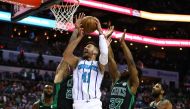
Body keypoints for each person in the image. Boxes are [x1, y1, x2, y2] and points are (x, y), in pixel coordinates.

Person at [63, 17, 114, 109]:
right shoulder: (77, 62)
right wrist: (80, 36)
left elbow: (104, 53)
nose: (85, 48)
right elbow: (66, 55)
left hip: (94, 104)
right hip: (78, 103)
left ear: (96, 52)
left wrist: (100, 31)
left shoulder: (100, 65)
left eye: (89, 46)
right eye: (85, 47)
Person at [53, 13, 86, 109]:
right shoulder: (61, 78)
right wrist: (76, 30)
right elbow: (68, 52)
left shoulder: (81, 80)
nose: (69, 65)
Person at [108, 29, 140, 109]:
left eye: (128, 69)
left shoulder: (133, 84)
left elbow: (131, 63)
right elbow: (110, 59)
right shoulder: (116, 79)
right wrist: (107, 42)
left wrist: (123, 44)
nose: (126, 68)